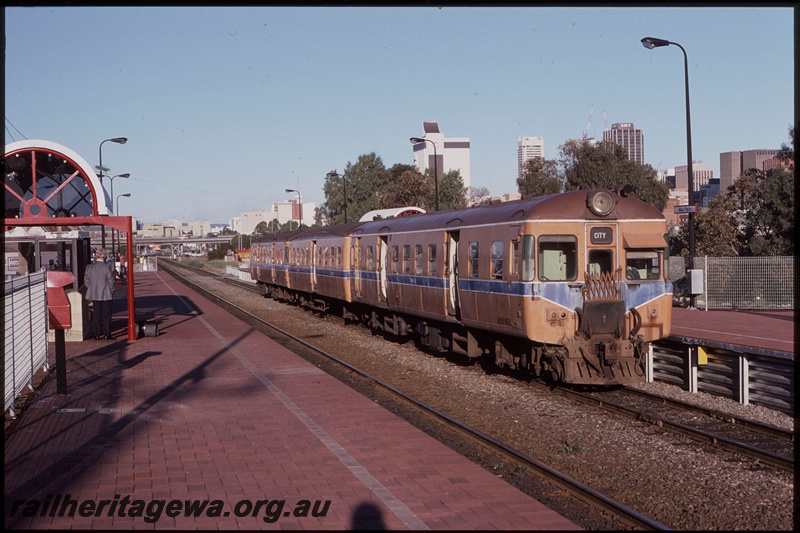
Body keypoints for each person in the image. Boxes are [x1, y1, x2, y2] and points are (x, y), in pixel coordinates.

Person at [84, 248, 115, 339]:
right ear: (104, 256)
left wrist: (91, 288)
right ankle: (107, 334)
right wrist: (112, 290)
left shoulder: (89, 267)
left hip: (94, 294)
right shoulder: (106, 267)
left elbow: (86, 281)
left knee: (96, 314)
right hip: (106, 294)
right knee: (106, 315)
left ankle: (96, 334)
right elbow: (110, 280)